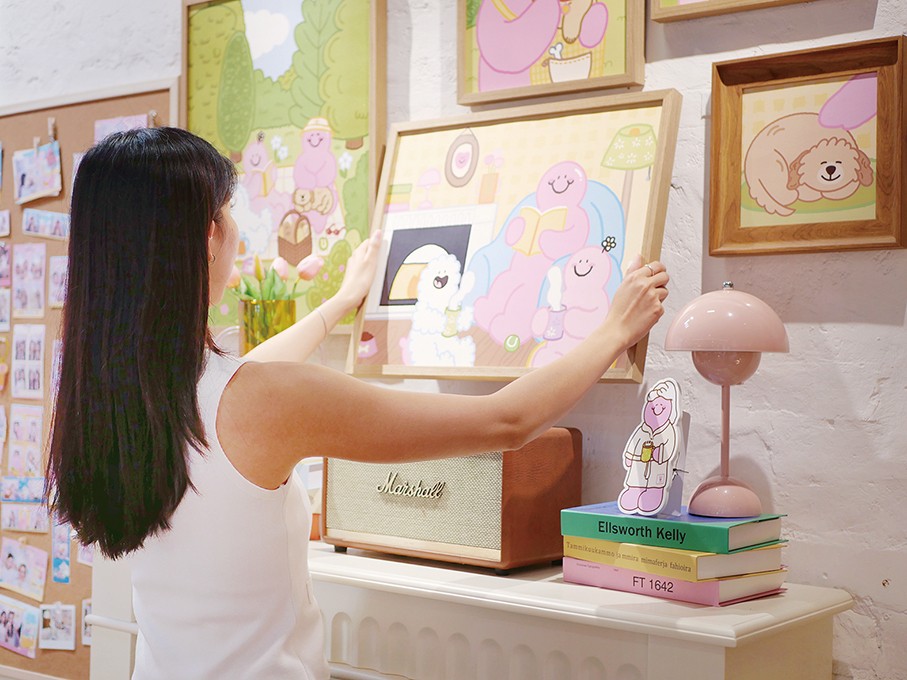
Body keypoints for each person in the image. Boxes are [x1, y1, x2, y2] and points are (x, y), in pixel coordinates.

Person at [46, 127, 669, 680]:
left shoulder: (110, 400)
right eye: (229, 211)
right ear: (209, 234)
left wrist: (342, 302)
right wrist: (613, 331)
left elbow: (248, 379)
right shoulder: (261, 401)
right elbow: (505, 420)